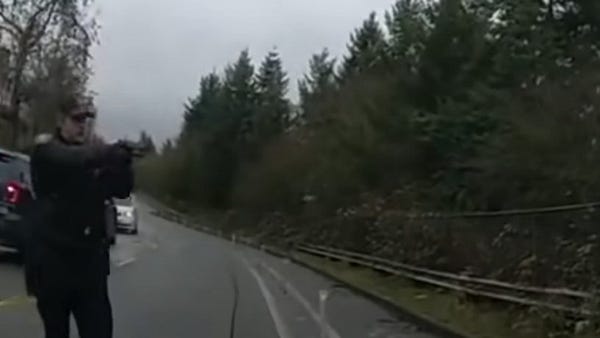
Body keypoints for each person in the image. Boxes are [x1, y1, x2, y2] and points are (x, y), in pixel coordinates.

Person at [26, 97, 134, 338]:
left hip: (89, 266)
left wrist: (123, 162)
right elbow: (70, 159)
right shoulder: (47, 151)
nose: (82, 126)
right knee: (56, 331)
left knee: (99, 330)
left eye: (86, 120)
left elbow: (122, 189)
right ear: (60, 120)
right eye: (76, 119)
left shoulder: (94, 157)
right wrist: (106, 152)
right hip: (53, 263)